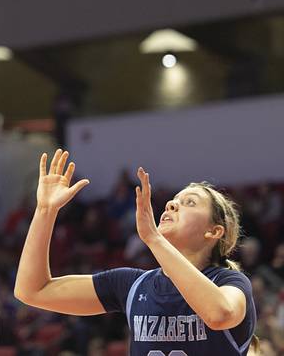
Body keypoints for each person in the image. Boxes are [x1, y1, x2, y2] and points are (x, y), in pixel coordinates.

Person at [14, 149, 256, 355]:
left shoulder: (230, 282)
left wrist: (153, 239)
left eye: (189, 202)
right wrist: (45, 211)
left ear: (214, 232)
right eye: (174, 200)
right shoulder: (133, 286)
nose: (172, 204)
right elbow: (32, 290)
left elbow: (219, 314)